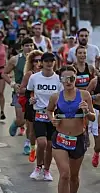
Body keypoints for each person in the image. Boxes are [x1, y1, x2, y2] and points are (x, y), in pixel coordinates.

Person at [47, 65, 95, 193]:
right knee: (65, 174)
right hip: (60, 139)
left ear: (76, 79)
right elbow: (49, 110)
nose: (68, 82)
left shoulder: (84, 95)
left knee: (74, 177)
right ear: (60, 80)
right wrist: (52, 119)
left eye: (72, 78)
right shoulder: (55, 97)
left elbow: (93, 118)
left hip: (78, 139)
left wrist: (87, 111)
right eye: (64, 79)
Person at [26, 52, 63, 181]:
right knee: (41, 143)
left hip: (53, 115)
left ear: (54, 63)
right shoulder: (35, 78)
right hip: (39, 113)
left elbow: (63, 95)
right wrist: (31, 99)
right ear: (42, 63)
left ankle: (47, 170)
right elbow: (30, 91)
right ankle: (38, 167)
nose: (49, 63)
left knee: (49, 145)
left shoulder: (58, 79)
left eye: (51, 61)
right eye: (46, 61)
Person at [2, 37, 34, 154]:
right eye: (26, 45)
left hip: (32, 94)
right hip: (19, 93)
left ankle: (27, 144)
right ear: (22, 47)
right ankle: (16, 123)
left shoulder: (37, 59)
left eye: (31, 45)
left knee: (30, 120)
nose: (29, 48)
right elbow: (4, 73)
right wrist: (12, 84)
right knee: (22, 120)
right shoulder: (15, 59)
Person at [19, 50, 44, 163]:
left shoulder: (47, 74)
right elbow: (22, 89)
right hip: (32, 104)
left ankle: (40, 149)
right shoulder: (30, 74)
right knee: (32, 129)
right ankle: (32, 147)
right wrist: (32, 90)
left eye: (40, 60)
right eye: (35, 61)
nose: (38, 63)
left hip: (44, 106)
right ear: (32, 62)